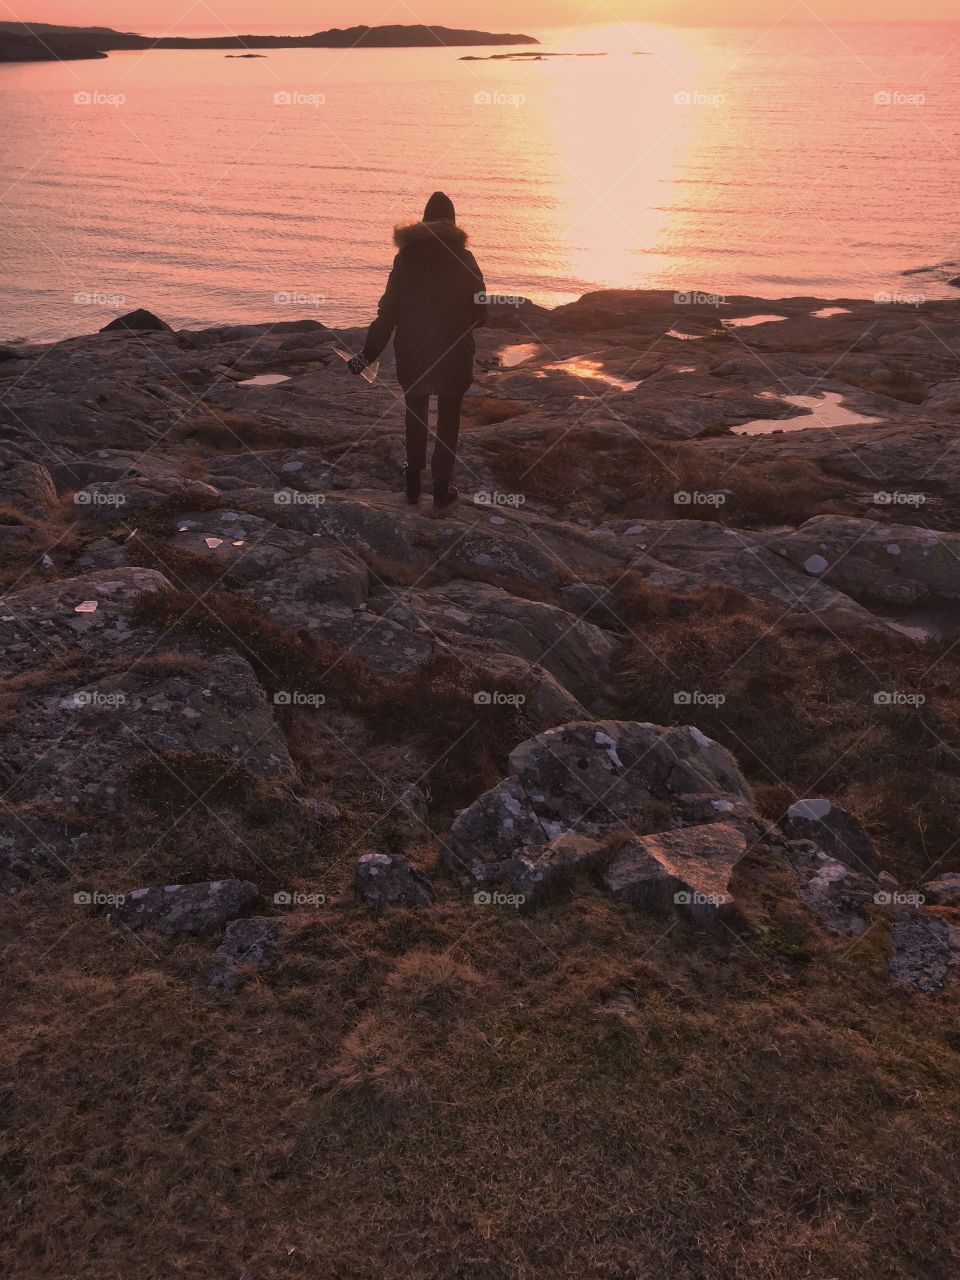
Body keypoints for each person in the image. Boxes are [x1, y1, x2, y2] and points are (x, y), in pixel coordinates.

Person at [347, 191, 486, 509]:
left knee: (416, 416)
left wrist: (368, 355)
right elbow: (481, 312)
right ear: (453, 222)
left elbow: (389, 313)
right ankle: (441, 487)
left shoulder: (405, 259)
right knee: (449, 420)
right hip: (454, 354)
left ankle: (412, 486)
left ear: (423, 221)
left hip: (413, 354)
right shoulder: (464, 259)